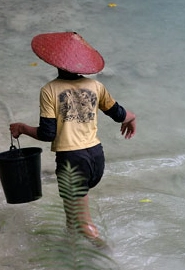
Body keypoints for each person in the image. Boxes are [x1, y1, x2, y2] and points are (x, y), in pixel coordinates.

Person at [9, 31, 136, 246]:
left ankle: (111, 257)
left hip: (72, 160)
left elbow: (48, 134)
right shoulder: (96, 87)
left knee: (83, 221)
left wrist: (22, 127)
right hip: (96, 157)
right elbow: (119, 114)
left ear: (55, 62)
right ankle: (70, 248)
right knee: (72, 211)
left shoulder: (50, 90)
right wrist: (131, 118)